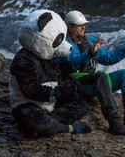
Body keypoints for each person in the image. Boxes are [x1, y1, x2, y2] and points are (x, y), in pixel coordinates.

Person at [58, 10, 125, 136]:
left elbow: (110, 58)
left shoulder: (89, 41)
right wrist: (90, 53)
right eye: (80, 25)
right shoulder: (63, 44)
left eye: (84, 24)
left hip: (95, 84)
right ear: (69, 26)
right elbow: (75, 62)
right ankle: (114, 122)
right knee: (101, 76)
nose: (84, 27)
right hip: (75, 85)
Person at [9, 9, 92, 137]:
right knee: (36, 122)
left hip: (51, 102)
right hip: (28, 104)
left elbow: (57, 79)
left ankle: (51, 123)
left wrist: (67, 88)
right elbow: (31, 91)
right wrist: (59, 91)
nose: (64, 46)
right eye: (58, 41)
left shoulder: (49, 56)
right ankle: (68, 128)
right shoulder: (24, 60)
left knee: (81, 105)